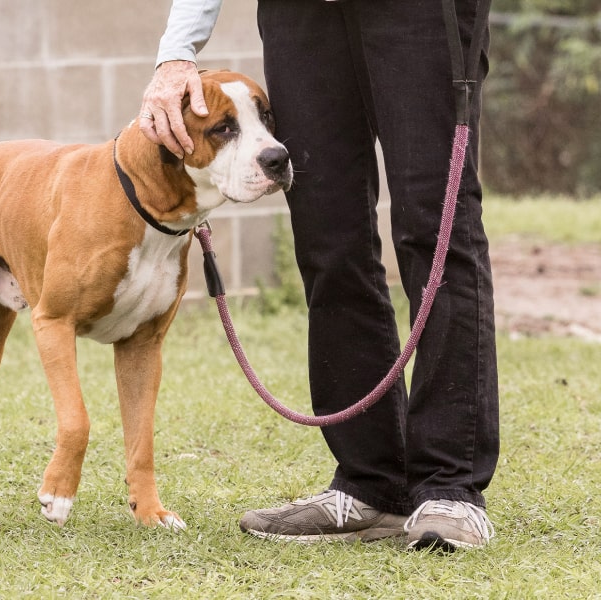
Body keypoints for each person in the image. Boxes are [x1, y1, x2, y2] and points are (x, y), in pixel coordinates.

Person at [140, 0, 499, 551]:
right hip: (301, 14)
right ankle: (370, 482)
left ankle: (451, 488)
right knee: (327, 234)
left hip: (422, 14)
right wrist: (177, 52)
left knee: (436, 227)